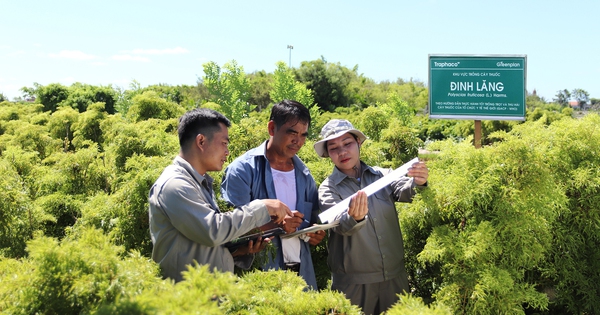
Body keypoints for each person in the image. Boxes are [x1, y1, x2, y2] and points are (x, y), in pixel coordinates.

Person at [149, 108, 292, 282]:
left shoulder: (198, 183)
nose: (227, 151)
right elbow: (212, 231)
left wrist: (238, 250)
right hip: (188, 302)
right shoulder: (175, 184)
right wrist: (261, 207)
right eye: (224, 143)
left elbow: (199, 243)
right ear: (201, 141)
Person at [314, 119, 429, 315]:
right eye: (334, 148)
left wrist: (419, 181)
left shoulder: (382, 176)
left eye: (347, 143)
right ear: (328, 154)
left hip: (395, 278)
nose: (342, 152)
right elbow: (340, 225)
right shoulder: (328, 188)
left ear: (359, 143)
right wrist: (354, 218)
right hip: (353, 285)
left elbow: (406, 191)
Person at [221, 99, 325, 290]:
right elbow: (229, 230)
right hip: (260, 280)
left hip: (302, 275)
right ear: (271, 128)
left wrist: (314, 233)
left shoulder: (305, 175)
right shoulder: (242, 171)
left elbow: (309, 222)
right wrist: (277, 227)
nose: (298, 141)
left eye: (303, 135)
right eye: (292, 133)